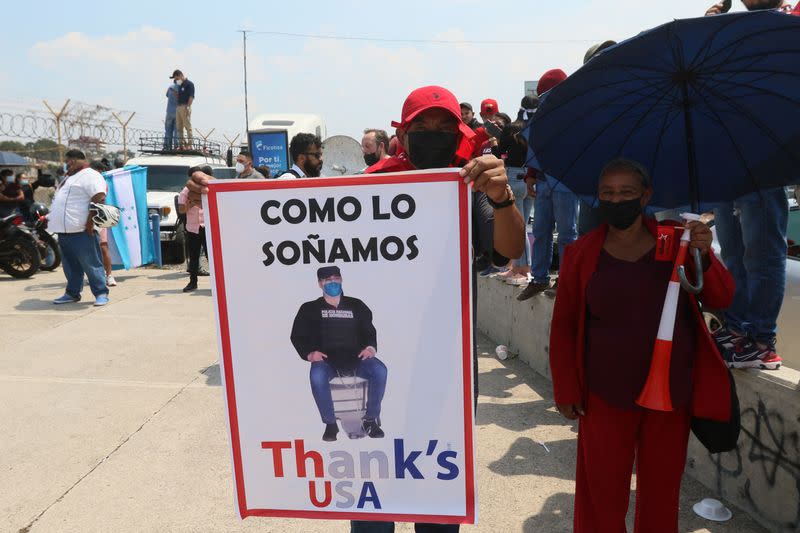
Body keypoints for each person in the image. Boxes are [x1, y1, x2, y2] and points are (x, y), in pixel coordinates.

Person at [185, 84, 524, 533]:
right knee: (369, 501)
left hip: (446, 369)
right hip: (356, 364)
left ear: (460, 132)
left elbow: (508, 249)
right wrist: (214, 200)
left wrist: (502, 197)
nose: (435, 134)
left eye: (445, 127)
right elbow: (276, 237)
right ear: (404, 132)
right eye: (424, 125)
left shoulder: (468, 185)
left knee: (438, 501)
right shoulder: (370, 186)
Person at [550, 158, 734, 533]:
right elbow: (565, 324)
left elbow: (722, 296)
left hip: (670, 392)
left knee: (662, 493)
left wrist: (703, 254)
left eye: (627, 193)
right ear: (598, 198)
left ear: (646, 196)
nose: (617, 200)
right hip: (603, 393)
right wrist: (566, 386)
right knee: (600, 493)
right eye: (608, 194)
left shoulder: (677, 240)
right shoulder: (581, 252)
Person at [704, 0, 794, 370]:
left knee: (763, 252)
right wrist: (710, 28)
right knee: (734, 252)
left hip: (768, 155)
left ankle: (761, 338)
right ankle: (739, 328)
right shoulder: (731, 29)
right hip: (730, 156)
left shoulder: (790, 21)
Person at [290, 266, 386, 441]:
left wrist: (370, 348)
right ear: (320, 284)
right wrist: (309, 354)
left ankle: (371, 420)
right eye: (327, 280)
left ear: (341, 279)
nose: (332, 282)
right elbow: (297, 335)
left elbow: (369, 330)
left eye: (335, 278)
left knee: (380, 370)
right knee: (317, 375)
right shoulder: (309, 308)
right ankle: (330, 423)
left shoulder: (357, 305)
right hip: (326, 361)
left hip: (357, 358)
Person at [517, 68, 579, 301]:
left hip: (565, 179)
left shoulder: (575, 114)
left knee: (567, 233)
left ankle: (566, 279)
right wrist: (531, 174)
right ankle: (540, 278)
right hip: (544, 179)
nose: (545, 100)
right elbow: (536, 148)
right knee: (542, 230)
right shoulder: (541, 117)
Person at [48, 149, 110, 306]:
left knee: (91, 264)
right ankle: (72, 293)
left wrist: (90, 222)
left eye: (69, 162)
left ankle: (101, 293)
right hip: (64, 231)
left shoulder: (91, 175)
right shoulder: (69, 178)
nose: (67, 165)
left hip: (82, 231)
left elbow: (99, 197)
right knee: (70, 266)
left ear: (77, 160)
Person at [577, 41, 618, 238]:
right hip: (592, 184)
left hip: (631, 185)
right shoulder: (579, 103)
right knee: (590, 237)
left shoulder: (634, 94)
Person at [177, 166, 208, 292]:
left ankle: (217, 284)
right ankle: (192, 282)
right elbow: (181, 210)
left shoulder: (207, 189)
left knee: (211, 256)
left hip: (208, 227)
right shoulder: (185, 192)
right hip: (193, 228)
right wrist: (190, 203)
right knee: (194, 257)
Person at [171, 69, 195, 149]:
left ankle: (189, 145)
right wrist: (176, 94)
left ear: (181, 75)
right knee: (179, 127)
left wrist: (188, 107)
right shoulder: (180, 85)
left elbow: (191, 97)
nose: (176, 81)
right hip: (178, 107)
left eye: (177, 79)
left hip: (185, 106)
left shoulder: (189, 84)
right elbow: (181, 96)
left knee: (187, 126)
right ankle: (182, 145)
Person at [164, 79, 179, 150]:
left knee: (168, 131)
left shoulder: (170, 87)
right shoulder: (181, 89)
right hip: (178, 113)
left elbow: (167, 95)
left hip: (169, 112)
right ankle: (176, 147)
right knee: (177, 131)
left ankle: (167, 147)